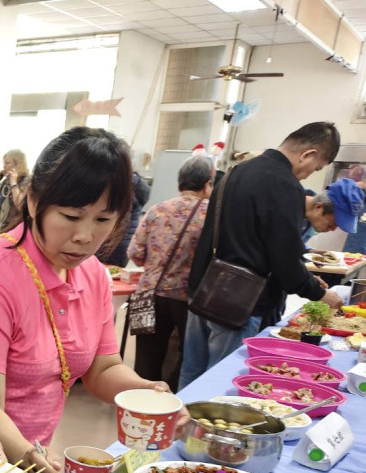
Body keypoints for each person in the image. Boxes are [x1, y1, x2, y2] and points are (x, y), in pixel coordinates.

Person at [0, 126, 183, 473]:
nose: (85, 236)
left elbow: (102, 370)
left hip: (33, 458)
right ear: (34, 201)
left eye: (103, 220)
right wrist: (29, 455)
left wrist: (145, 391)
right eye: (70, 216)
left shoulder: (93, 275)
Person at [180, 122, 345, 389]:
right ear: (308, 154)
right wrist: (319, 293)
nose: (307, 175)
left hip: (205, 289)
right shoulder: (286, 185)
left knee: (191, 373)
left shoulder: (236, 171)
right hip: (240, 302)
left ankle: (180, 427)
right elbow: (285, 259)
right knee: (220, 383)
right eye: (314, 168)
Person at [128, 155, 214, 391]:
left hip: (147, 293)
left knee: (146, 355)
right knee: (187, 355)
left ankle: (142, 402)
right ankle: (173, 401)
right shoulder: (212, 214)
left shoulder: (157, 209)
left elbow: (134, 252)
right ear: (207, 183)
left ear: (180, 182)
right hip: (187, 299)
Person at [98, 170, 150, 267]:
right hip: (126, 241)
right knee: (115, 274)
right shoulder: (141, 187)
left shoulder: (116, 186)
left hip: (110, 240)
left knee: (97, 271)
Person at [0, 149, 29, 234]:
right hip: (1, 229)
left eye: (7, 163)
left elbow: (20, 204)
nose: (4, 166)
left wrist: (14, 183)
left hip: (14, 232)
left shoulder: (26, 182)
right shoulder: (6, 181)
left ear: (18, 164)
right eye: (4, 163)